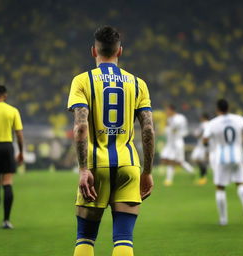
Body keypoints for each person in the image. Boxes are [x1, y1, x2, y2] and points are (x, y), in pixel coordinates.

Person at [67, 26, 155, 256]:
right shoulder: (138, 84)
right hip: (128, 165)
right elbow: (148, 129)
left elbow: (81, 126)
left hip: (96, 166)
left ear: (93, 52)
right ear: (120, 52)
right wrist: (147, 171)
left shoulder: (82, 81)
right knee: (124, 239)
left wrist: (84, 168)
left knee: (85, 238)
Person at [203, 99, 243, 225]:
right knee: (240, 183)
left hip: (221, 156)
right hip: (237, 155)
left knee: (220, 187)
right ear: (228, 107)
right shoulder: (239, 119)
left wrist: (208, 143)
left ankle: (223, 220)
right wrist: (241, 142)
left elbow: (205, 139)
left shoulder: (213, 123)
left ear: (217, 109)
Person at [0, 85, 24, 229]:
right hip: (7, 147)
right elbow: (19, 134)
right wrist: (21, 151)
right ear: (5, 95)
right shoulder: (12, 110)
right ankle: (6, 221)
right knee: (7, 182)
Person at [160, 104, 193, 186]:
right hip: (170, 143)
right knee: (167, 159)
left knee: (180, 162)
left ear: (171, 110)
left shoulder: (179, 119)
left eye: (167, 110)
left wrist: (171, 129)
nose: (166, 112)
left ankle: (192, 172)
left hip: (177, 143)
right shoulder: (170, 119)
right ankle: (168, 180)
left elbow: (181, 130)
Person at [191, 113, 210, 185]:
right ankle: (203, 176)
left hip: (202, 145)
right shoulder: (210, 124)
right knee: (199, 159)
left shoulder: (203, 125)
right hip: (207, 145)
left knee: (198, 159)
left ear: (203, 117)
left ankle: (203, 177)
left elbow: (197, 134)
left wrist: (195, 133)